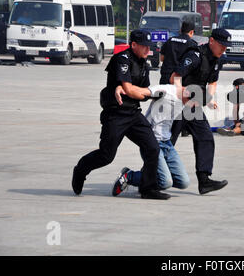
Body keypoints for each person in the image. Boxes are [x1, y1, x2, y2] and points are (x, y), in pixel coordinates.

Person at [71, 29, 170, 200]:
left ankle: (148, 189)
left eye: (150, 46)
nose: (149, 50)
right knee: (106, 156)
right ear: (134, 45)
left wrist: (139, 92)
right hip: (116, 114)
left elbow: (142, 93)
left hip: (133, 113)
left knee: (152, 148)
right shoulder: (122, 59)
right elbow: (130, 89)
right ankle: (81, 169)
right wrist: (134, 91)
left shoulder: (144, 64)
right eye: (145, 46)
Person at [169, 28, 231, 195]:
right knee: (167, 142)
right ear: (212, 41)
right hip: (177, 103)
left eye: (226, 46)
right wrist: (181, 95)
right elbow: (175, 76)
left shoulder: (216, 59)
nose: (224, 49)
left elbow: (212, 82)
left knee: (205, 137)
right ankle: (150, 176)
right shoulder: (195, 55)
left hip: (193, 105)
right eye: (222, 45)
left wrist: (209, 99)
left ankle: (204, 181)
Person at [111, 83, 193, 195]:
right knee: (165, 182)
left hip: (167, 144)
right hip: (152, 142)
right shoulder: (166, 91)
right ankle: (129, 176)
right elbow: (141, 91)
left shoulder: (187, 97)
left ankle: (148, 173)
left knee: (183, 182)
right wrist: (122, 87)